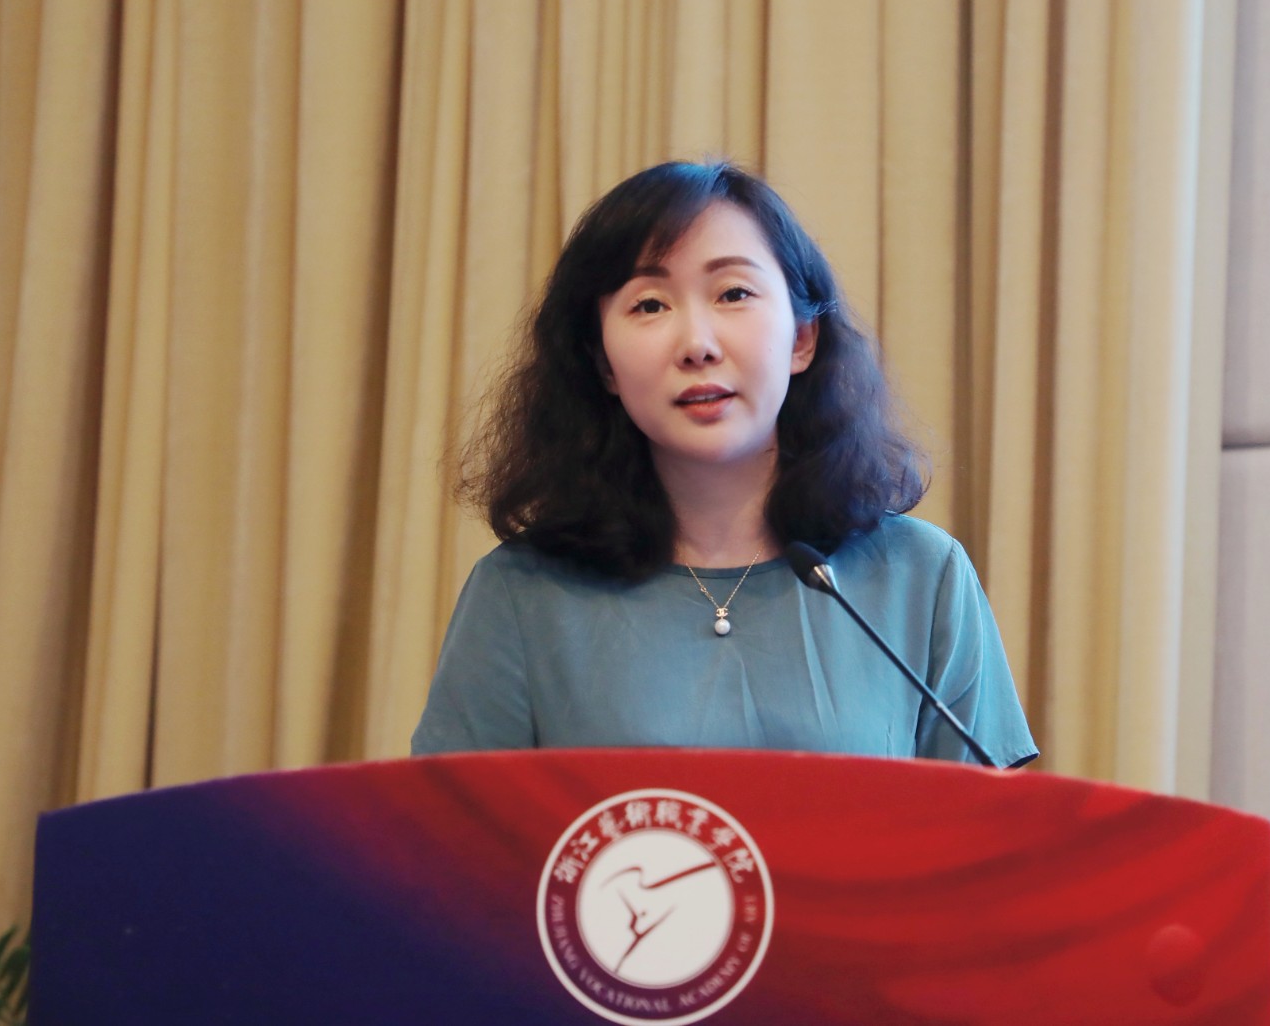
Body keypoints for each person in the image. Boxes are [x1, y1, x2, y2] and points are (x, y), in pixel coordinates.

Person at [411, 161, 1037, 768]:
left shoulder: (921, 576)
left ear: (802, 338)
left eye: (733, 293)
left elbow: (988, 831)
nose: (697, 345)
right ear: (603, 363)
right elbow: (453, 832)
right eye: (649, 305)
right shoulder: (521, 594)